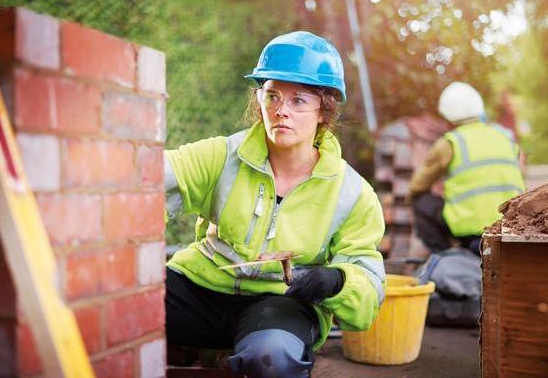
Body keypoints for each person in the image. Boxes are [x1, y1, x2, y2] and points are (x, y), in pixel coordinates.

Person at [164, 31, 386, 377]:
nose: (281, 111)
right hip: (199, 289)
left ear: (324, 112)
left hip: (279, 304)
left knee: (273, 358)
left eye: (298, 100)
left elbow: (369, 292)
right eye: (271, 96)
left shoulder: (353, 192)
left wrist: (337, 281)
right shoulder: (223, 155)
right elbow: (155, 175)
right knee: (113, 306)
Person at [409, 81, 525, 256]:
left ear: (447, 116)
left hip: (472, 233)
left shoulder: (449, 143)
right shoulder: (505, 139)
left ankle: (448, 258)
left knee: (420, 201)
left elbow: (417, 186)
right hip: (512, 229)